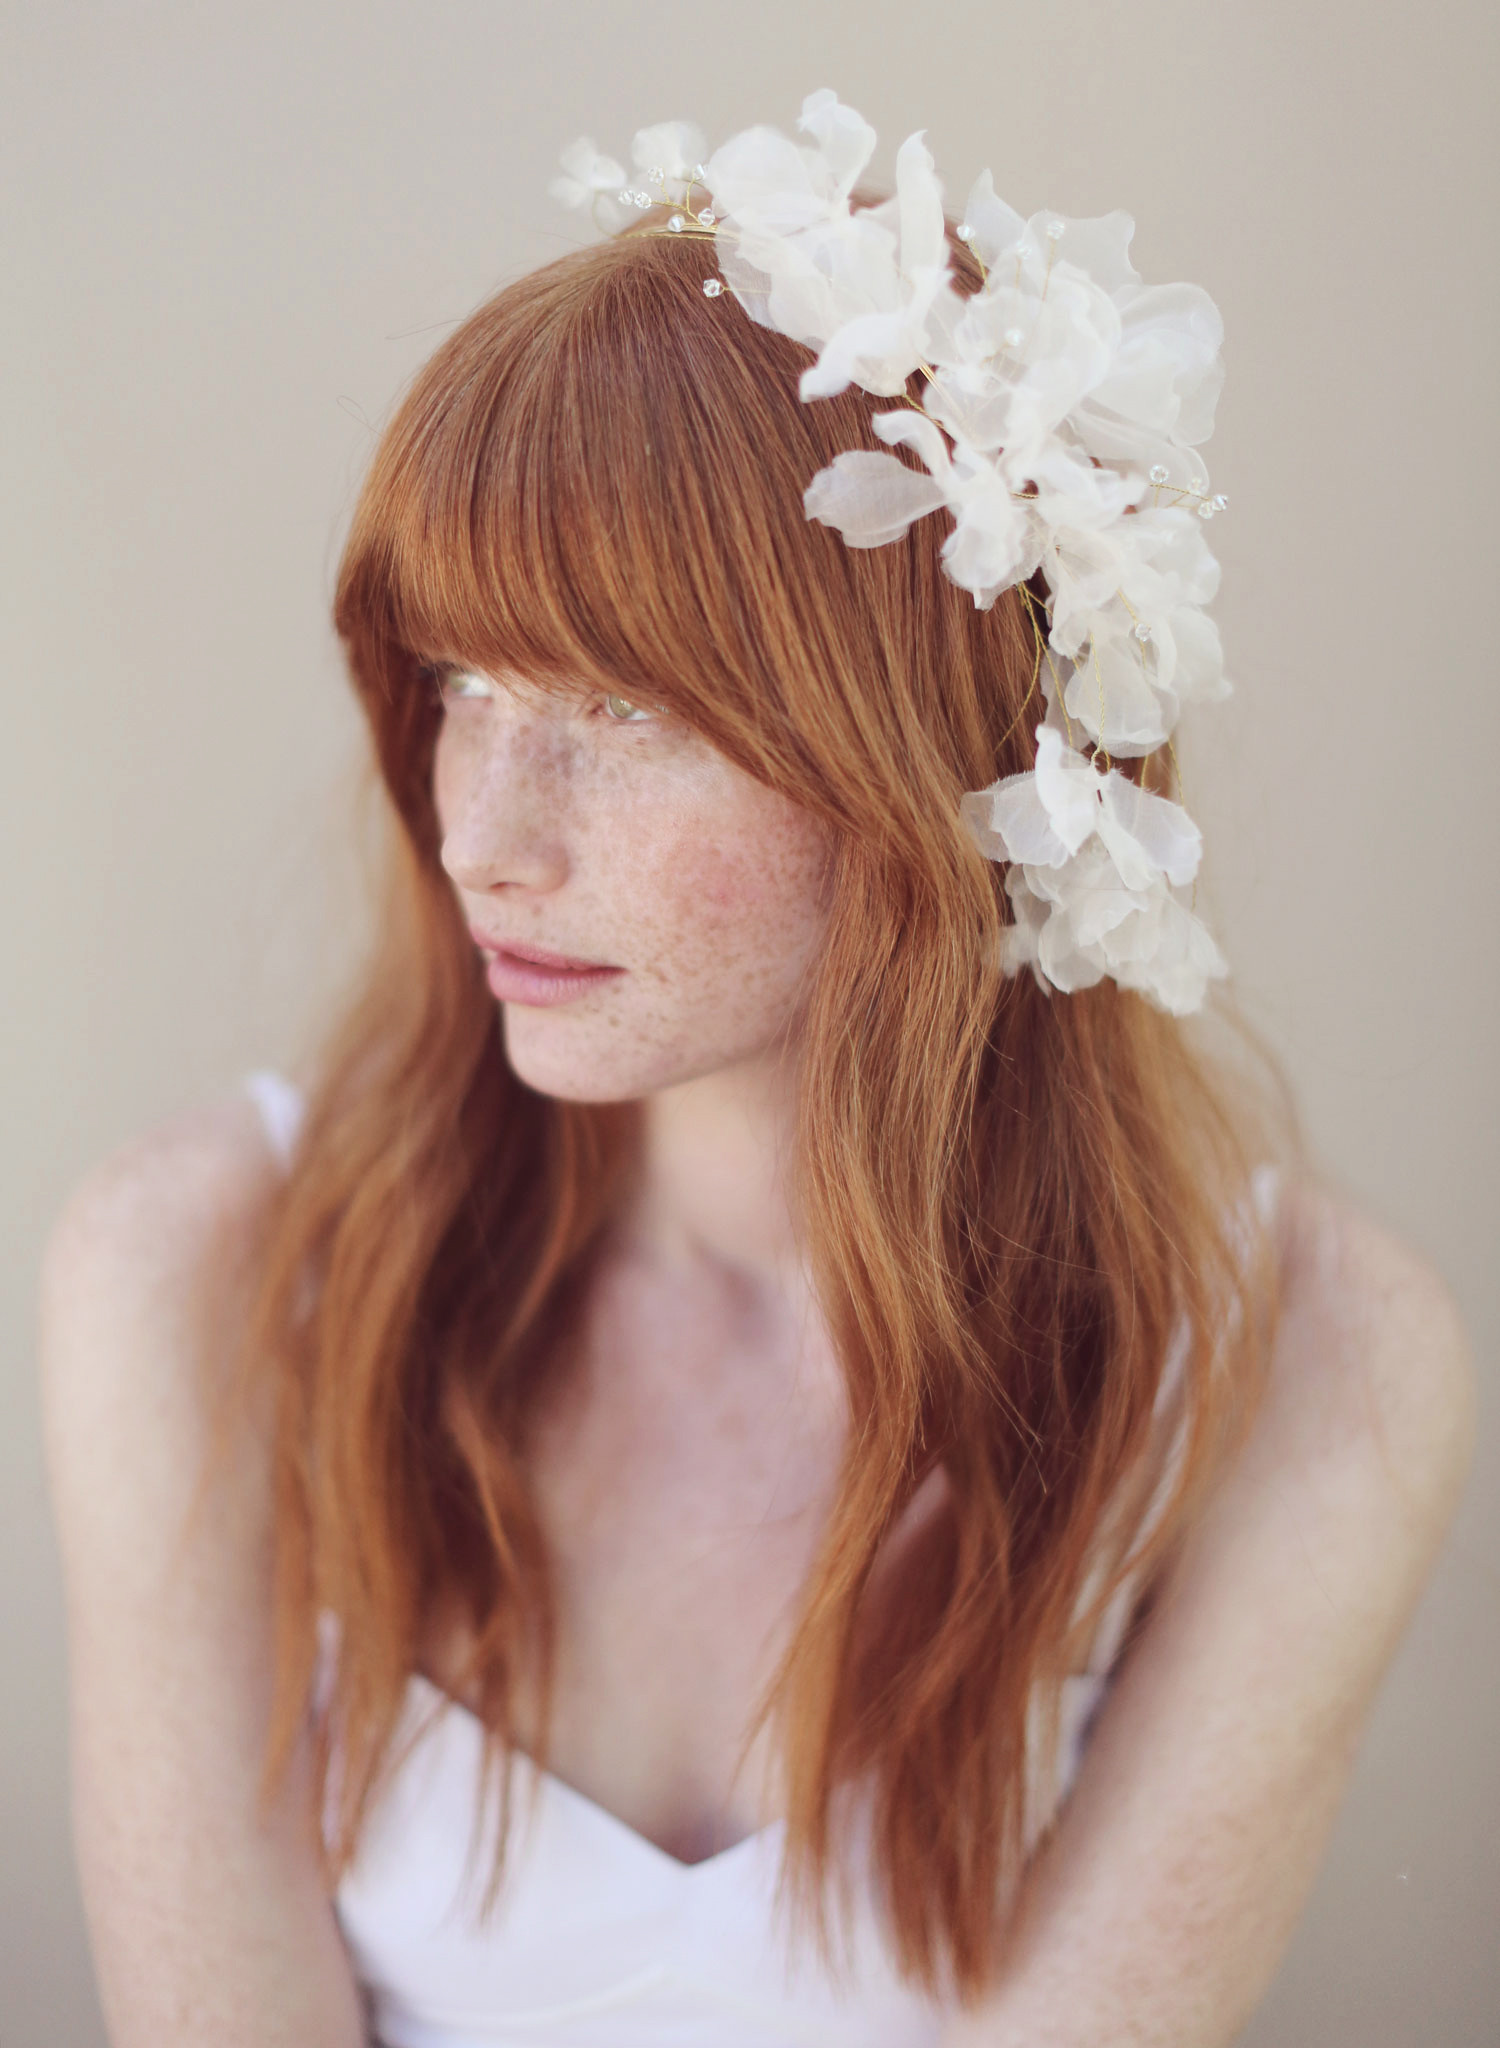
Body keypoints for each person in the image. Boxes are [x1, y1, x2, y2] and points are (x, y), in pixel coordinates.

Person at [39, 93, 1476, 2048]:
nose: (481, 835)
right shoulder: (201, 1277)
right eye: (461, 682)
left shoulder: (1305, 1360)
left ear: (930, 739)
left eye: (626, 705)